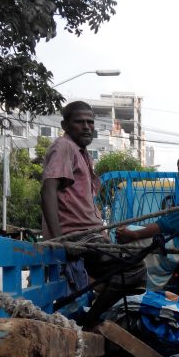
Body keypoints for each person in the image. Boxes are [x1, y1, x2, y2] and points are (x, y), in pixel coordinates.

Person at [41, 100, 145, 323]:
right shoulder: (64, 146)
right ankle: (91, 322)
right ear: (65, 125)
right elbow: (48, 191)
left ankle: (98, 318)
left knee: (127, 274)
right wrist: (61, 240)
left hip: (91, 235)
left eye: (90, 122)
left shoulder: (82, 153)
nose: (87, 127)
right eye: (80, 122)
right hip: (79, 236)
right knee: (134, 267)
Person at [116, 153, 179, 292]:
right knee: (133, 232)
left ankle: (134, 289)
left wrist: (134, 235)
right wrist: (133, 230)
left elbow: (166, 225)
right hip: (178, 241)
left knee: (133, 243)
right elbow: (166, 223)